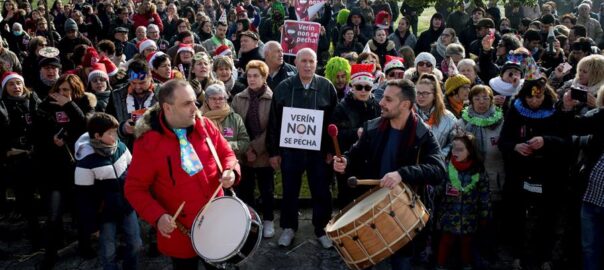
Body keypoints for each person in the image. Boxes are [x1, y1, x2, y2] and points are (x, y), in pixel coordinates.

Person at [125, 79, 240, 270]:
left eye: (194, 101)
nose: (195, 108)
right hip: (181, 232)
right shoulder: (148, 143)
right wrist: (158, 216)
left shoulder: (205, 126)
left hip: (217, 222)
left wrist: (231, 171)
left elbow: (227, 153)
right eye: (187, 103)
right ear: (168, 108)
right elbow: (134, 188)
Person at [333, 78, 446, 270]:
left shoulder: (422, 134)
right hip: (371, 207)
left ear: (405, 105)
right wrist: (345, 162)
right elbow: (354, 155)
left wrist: (403, 174)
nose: (381, 103)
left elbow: (439, 170)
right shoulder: (373, 127)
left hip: (404, 211)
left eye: (388, 99)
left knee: (402, 264)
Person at [498, 69, 570, 270]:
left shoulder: (555, 112)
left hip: (548, 174)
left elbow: (566, 141)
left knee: (547, 216)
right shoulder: (516, 109)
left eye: (537, 98)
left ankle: (544, 257)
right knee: (517, 215)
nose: (533, 102)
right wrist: (515, 146)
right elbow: (504, 140)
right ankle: (517, 256)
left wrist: (545, 141)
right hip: (520, 171)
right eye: (529, 98)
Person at [266, 48, 338, 249]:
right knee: (289, 190)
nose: (307, 65)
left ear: (316, 63)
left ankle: (322, 229)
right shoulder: (283, 87)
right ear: (295, 63)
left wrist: (331, 150)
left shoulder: (326, 86)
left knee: (321, 191)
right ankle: (288, 228)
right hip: (291, 152)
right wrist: (273, 152)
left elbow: (334, 122)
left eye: (311, 61)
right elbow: (274, 122)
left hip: (319, 153)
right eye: (303, 61)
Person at [34, 74, 96, 269]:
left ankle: (85, 247)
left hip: (79, 168)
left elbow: (87, 125)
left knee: (81, 212)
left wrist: (69, 104)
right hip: (54, 169)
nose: (62, 94)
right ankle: (50, 254)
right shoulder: (46, 106)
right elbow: (37, 131)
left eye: (67, 90)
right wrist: (52, 140)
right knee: (54, 215)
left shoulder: (83, 103)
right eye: (59, 90)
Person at [74, 113, 142, 270]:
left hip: (127, 207)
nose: (115, 135)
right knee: (108, 251)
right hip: (104, 215)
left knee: (136, 243)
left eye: (115, 131)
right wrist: (92, 226)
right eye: (110, 133)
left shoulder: (122, 148)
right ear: (97, 136)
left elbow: (133, 174)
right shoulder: (85, 164)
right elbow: (83, 199)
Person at [232, 60, 276, 238]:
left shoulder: (273, 98)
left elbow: (273, 128)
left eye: (256, 76)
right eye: (249, 76)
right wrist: (246, 149)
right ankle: (250, 221)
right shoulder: (239, 98)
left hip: (264, 153)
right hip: (244, 154)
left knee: (267, 190)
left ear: (264, 77)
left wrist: (256, 149)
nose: (251, 79)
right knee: (246, 190)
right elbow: (235, 125)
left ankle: (268, 220)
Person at [0, 71, 42, 249]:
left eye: (18, 83)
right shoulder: (2, 106)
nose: (16, 87)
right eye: (11, 84)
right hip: (16, 158)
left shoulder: (33, 100)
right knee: (25, 196)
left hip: (37, 154)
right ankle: (34, 235)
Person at [436, 132, 490, 270]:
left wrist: (485, 215)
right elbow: (437, 191)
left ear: (470, 151)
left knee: (467, 242)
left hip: (469, 217)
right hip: (448, 216)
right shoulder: (446, 168)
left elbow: (484, 195)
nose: (455, 152)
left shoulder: (478, 171)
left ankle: (466, 265)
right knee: (446, 241)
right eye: (453, 148)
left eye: (460, 150)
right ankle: (440, 265)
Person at [331, 63, 381, 207]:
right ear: (352, 87)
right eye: (359, 87)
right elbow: (334, 134)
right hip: (349, 161)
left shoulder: (378, 107)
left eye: (367, 87)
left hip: (372, 162)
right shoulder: (341, 108)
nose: (363, 91)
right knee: (347, 201)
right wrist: (355, 133)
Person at [106, 60, 159, 149]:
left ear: (150, 77)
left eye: (142, 83)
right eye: (133, 83)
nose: (138, 87)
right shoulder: (116, 96)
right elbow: (108, 124)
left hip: (157, 148)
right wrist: (123, 128)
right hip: (127, 150)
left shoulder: (164, 93)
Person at [201, 83, 250, 160]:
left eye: (221, 98)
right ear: (207, 100)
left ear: (225, 100)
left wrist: (227, 145)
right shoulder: (200, 119)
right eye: (213, 99)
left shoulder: (235, 118)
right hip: (208, 162)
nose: (217, 102)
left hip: (231, 162)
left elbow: (245, 142)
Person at [414, 73, 457, 156]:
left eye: (425, 93)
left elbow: (453, 143)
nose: (421, 96)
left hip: (435, 165)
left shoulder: (448, 118)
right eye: (418, 93)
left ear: (434, 95)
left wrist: (439, 157)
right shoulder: (408, 114)